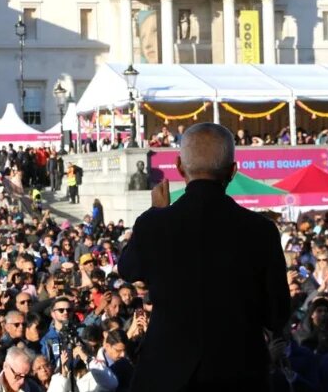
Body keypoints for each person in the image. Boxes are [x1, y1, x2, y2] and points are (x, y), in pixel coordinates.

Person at [118, 122, 290, 391]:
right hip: (239, 374)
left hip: (165, 374)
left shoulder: (155, 224)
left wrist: (155, 213)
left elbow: (128, 269)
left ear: (179, 166)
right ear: (233, 171)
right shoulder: (261, 231)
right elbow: (276, 314)